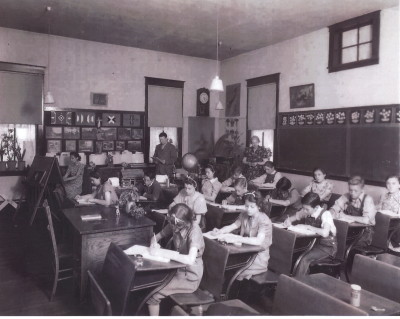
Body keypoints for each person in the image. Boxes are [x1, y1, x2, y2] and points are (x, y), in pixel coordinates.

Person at [147, 204, 205, 316]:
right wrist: (154, 244)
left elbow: (190, 259)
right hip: (176, 269)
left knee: (153, 295)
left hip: (190, 276)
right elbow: (155, 237)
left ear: (185, 222)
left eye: (177, 226)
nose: (173, 228)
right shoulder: (174, 223)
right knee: (150, 284)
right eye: (172, 224)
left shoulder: (194, 231)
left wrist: (163, 252)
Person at [211, 192, 272, 280]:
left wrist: (237, 238)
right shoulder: (244, 214)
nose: (248, 209)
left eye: (252, 207)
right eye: (247, 206)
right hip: (245, 251)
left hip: (258, 257)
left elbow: (258, 241)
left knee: (233, 269)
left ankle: (228, 291)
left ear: (259, 206)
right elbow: (234, 226)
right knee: (223, 262)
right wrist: (220, 231)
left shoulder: (264, 220)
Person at [283, 192, 337, 277]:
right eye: (303, 208)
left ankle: (297, 285)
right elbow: (295, 217)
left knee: (304, 259)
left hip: (326, 247)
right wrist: (288, 221)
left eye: (306, 209)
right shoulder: (307, 210)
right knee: (291, 251)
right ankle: (287, 278)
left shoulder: (325, 214)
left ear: (316, 208)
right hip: (312, 244)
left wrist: (308, 227)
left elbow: (325, 233)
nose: (304, 211)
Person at [329, 176, 376, 247]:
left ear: (362, 189)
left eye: (356, 191)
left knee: (344, 245)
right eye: (350, 190)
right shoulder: (346, 196)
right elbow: (335, 207)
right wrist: (330, 213)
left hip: (364, 233)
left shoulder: (368, 199)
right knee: (331, 240)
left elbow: (366, 220)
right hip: (349, 230)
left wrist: (345, 216)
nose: (352, 193)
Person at [376, 175, 400, 251]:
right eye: (388, 183)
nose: (390, 186)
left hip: (395, 224)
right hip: (382, 221)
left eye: (393, 183)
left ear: (399, 185)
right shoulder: (383, 196)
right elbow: (378, 208)